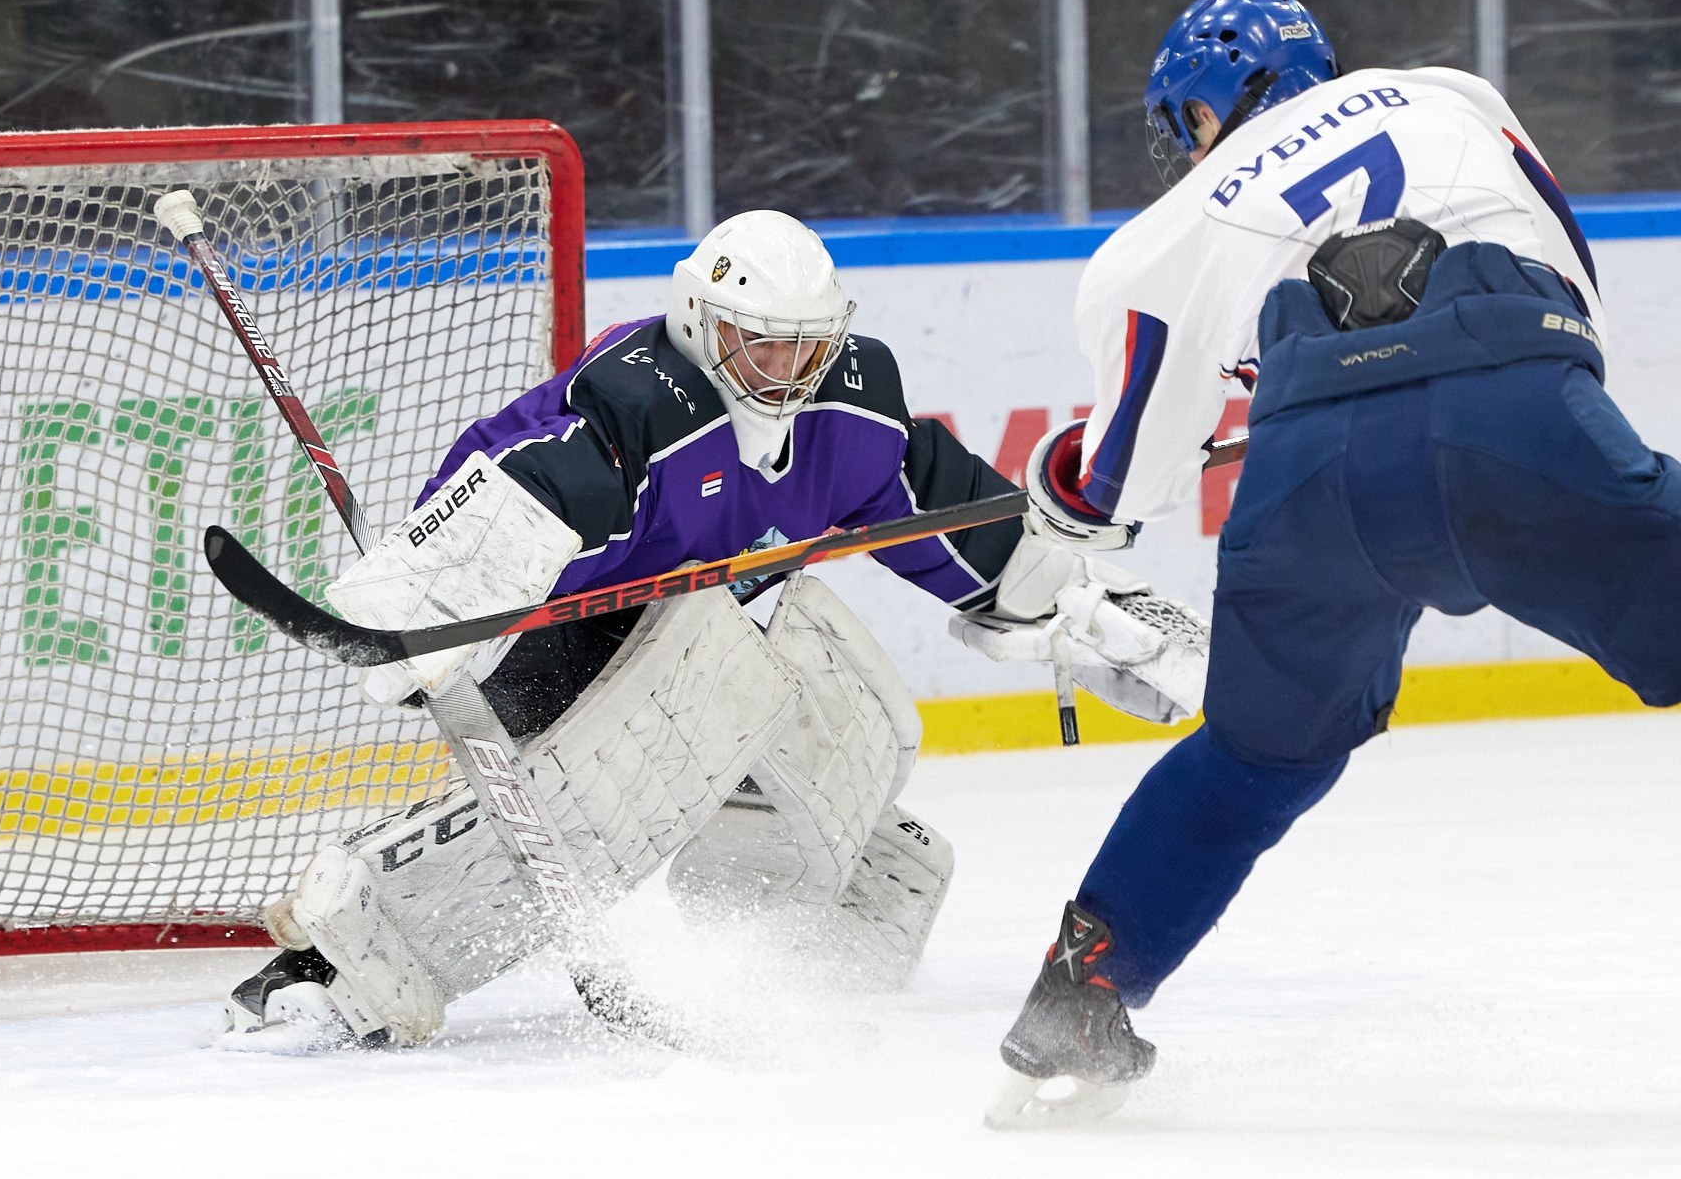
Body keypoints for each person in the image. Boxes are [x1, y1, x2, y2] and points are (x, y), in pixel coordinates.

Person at [223, 209, 1208, 1049]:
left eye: (803, 343)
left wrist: (1073, 604)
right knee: (593, 793)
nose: (784, 368)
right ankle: (338, 963)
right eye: (758, 342)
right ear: (699, 321)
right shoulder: (641, 398)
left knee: (853, 724)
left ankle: (792, 946)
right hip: (582, 642)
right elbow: (529, 476)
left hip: (728, 643)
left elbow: (955, 515)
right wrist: (412, 603)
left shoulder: (854, 412)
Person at [987, 0, 1680, 1126]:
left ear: (1199, 113)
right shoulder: (1446, 94)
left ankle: (1077, 995)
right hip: (1514, 401)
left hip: (1312, 470)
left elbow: (1116, 483)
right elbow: (1566, 274)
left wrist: (1073, 473)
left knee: (1257, 753)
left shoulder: (1150, 245)